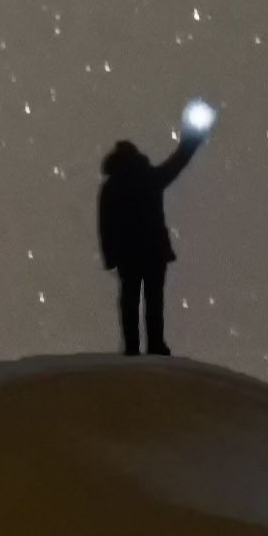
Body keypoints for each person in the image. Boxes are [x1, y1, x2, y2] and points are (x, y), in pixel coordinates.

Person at [96, 113, 207, 357]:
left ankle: (132, 348)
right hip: (154, 251)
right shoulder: (149, 178)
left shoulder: (111, 187)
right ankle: (155, 344)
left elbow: (105, 224)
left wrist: (110, 256)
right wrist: (193, 139)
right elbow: (176, 163)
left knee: (129, 302)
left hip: (128, 255)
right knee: (154, 302)